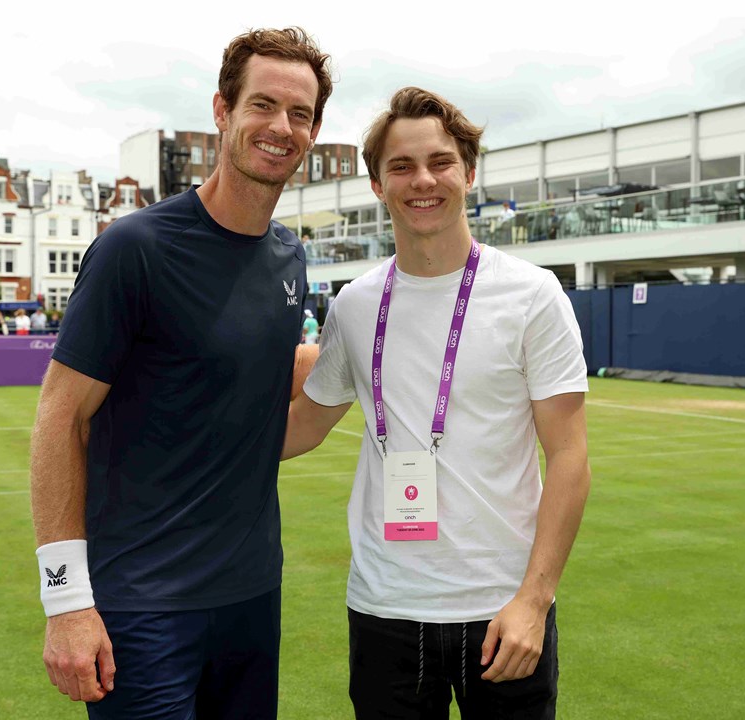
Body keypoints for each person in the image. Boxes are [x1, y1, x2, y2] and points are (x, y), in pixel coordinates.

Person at [29, 27, 333, 719]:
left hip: (253, 599)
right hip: (143, 606)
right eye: (263, 105)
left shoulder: (290, 257)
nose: (281, 127)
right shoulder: (134, 248)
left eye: (301, 114)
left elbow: (259, 398)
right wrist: (67, 600)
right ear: (223, 112)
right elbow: (60, 417)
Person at [283, 87, 591, 719]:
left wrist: (535, 600)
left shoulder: (533, 295)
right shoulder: (354, 303)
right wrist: (171, 428)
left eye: (440, 162)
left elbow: (569, 456)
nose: (422, 180)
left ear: (468, 173)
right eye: (401, 166)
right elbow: (302, 428)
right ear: (376, 183)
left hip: (502, 612)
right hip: (385, 609)